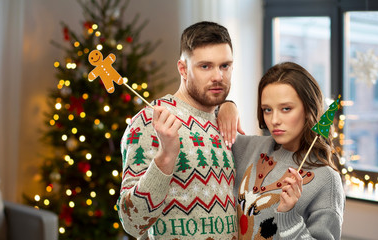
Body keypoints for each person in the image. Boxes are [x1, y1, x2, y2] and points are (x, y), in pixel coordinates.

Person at [117, 21, 239, 239]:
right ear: (183, 69)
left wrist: (230, 106)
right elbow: (132, 223)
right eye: (205, 66)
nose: (218, 77)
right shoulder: (148, 121)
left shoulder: (225, 121)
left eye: (225, 66)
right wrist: (165, 157)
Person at [218, 62, 345, 239]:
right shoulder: (248, 148)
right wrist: (227, 106)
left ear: (309, 110)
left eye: (286, 109)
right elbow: (202, 120)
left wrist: (289, 216)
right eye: (267, 110)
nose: (274, 120)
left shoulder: (327, 180)